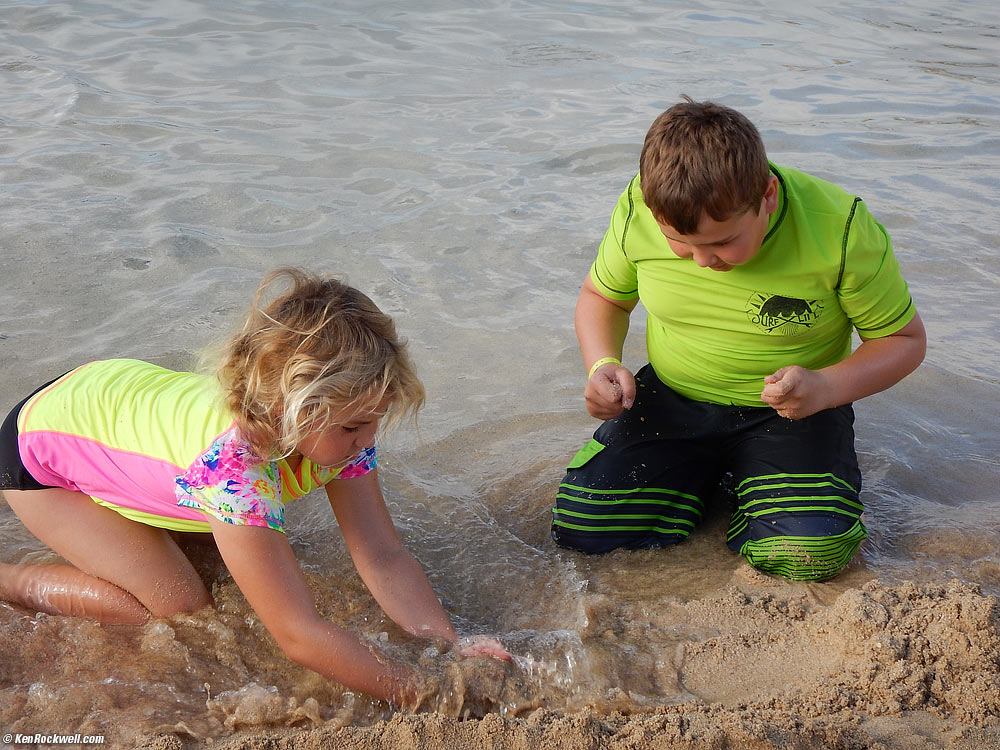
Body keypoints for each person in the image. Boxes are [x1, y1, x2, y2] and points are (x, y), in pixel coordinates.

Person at [0, 267, 507, 707]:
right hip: (38, 455)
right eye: (354, 427)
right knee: (177, 608)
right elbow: (299, 636)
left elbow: (382, 555)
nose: (368, 440)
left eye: (375, 421)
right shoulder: (232, 472)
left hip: (102, 399)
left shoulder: (339, 430)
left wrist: (450, 646)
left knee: (240, 553)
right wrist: (426, 693)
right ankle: (12, 580)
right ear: (291, 409)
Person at [553, 98, 926, 581]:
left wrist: (825, 388)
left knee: (808, 553)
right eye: (680, 243)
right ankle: (709, 479)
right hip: (674, 399)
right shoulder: (639, 206)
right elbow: (603, 296)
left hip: (792, 411)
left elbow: (902, 340)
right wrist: (601, 363)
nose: (702, 261)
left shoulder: (841, 228)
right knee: (584, 528)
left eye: (722, 242)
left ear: (768, 195)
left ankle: (751, 483)